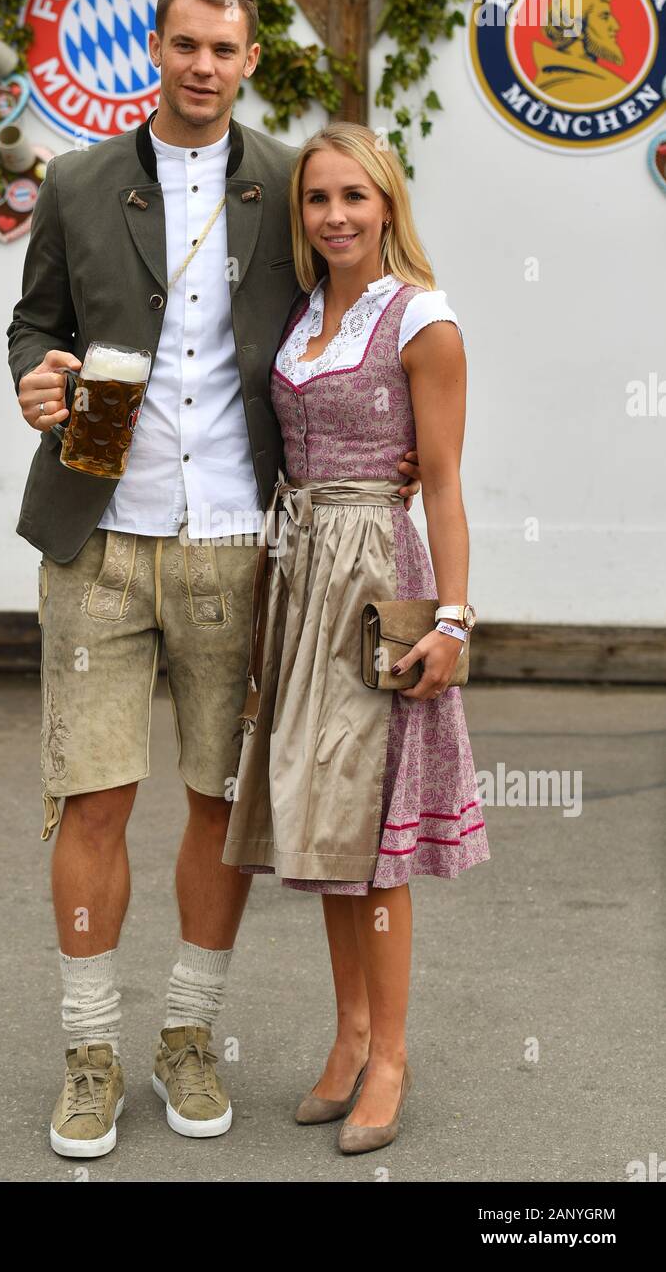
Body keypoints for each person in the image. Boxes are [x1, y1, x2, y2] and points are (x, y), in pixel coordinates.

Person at [7, 0, 422, 1160]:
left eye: (222, 50)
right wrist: (35, 379)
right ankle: (90, 1050)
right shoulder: (79, 182)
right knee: (91, 795)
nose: (201, 66)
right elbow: (37, 325)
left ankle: (188, 1035)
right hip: (95, 536)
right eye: (182, 45)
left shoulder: (290, 183)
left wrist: (382, 454)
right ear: (154, 45)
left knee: (218, 798)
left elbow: (362, 297)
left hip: (240, 544)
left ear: (249, 60)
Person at [222, 122, 489, 1156]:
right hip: (298, 575)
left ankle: (390, 1054)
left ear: (387, 205)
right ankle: (347, 1037)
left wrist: (454, 617)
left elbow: (447, 479)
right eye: (317, 200)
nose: (334, 216)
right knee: (327, 824)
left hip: (378, 574)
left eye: (353, 198)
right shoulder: (300, 315)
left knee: (374, 838)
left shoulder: (421, 319)